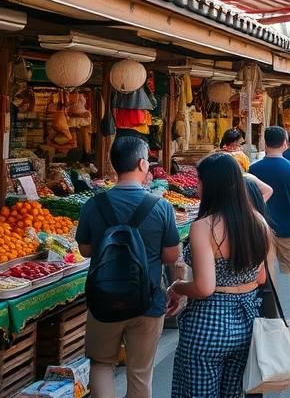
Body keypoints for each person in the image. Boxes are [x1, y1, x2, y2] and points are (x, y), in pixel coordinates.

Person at [77, 135, 182, 398]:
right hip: (147, 300)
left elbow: (85, 250)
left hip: (103, 299)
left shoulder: (94, 204)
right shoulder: (161, 206)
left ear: (114, 166)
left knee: (102, 365)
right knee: (140, 372)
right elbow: (171, 256)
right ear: (143, 164)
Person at [167, 153, 271, 398]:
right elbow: (261, 278)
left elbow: (204, 288)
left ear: (210, 184)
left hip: (209, 324)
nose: (196, 186)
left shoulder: (204, 226)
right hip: (247, 321)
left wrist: (177, 286)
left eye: (199, 181)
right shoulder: (258, 222)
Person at [248, 126, 290, 328]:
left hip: (262, 228)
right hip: (289, 228)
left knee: (267, 273)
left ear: (264, 142)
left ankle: (272, 317)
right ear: (285, 142)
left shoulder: (254, 168)